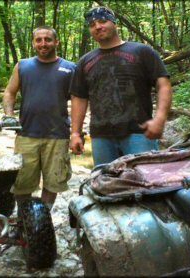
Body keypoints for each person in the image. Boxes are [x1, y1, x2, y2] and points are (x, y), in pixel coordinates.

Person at [70, 6, 173, 166]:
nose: (98, 26)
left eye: (103, 21)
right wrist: (76, 133)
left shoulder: (142, 51)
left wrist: (160, 119)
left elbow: (163, 85)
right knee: (106, 185)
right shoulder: (85, 61)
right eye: (92, 24)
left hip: (139, 133)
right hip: (101, 136)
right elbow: (79, 97)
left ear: (114, 23)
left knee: (146, 184)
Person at [2, 26, 76, 212]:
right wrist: (9, 117)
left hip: (58, 135)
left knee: (53, 182)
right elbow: (10, 93)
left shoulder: (70, 68)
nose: (43, 43)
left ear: (56, 42)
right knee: (22, 182)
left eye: (48, 39)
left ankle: (43, 218)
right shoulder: (23, 66)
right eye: (39, 40)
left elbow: (78, 102)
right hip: (26, 134)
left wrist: (77, 131)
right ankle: (24, 220)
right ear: (34, 43)